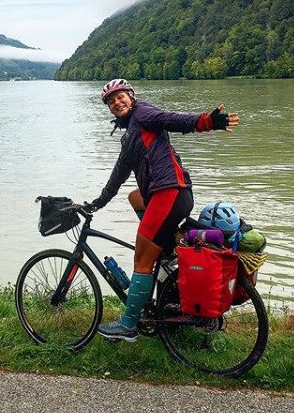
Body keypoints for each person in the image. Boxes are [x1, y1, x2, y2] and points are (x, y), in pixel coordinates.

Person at [88, 78, 239, 342]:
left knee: (142, 260)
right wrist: (96, 203)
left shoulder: (143, 114)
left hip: (168, 192)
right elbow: (117, 176)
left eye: (120, 96)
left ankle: (128, 325)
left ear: (131, 97)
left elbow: (169, 119)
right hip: (172, 195)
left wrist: (207, 122)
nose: (116, 102)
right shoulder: (130, 137)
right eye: (111, 101)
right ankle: (166, 250)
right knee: (135, 196)